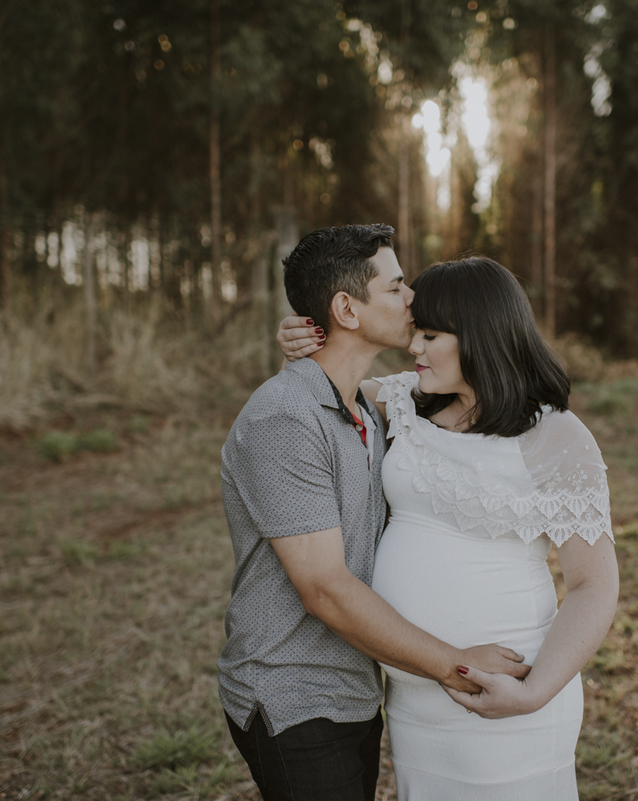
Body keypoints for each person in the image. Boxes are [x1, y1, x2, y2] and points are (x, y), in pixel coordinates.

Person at [276, 256, 619, 801]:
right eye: (416, 332)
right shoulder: (401, 404)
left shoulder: (558, 438)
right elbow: (321, 392)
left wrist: (532, 694)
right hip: (418, 700)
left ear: (482, 334)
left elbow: (594, 585)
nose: (414, 348)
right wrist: (309, 342)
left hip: (515, 690)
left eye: (431, 335)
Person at [218, 225, 529, 801]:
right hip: (292, 693)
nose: (411, 298)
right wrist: (455, 665)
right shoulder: (284, 420)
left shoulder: (365, 406)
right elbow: (325, 589)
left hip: (354, 686)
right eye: (396, 287)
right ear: (346, 308)